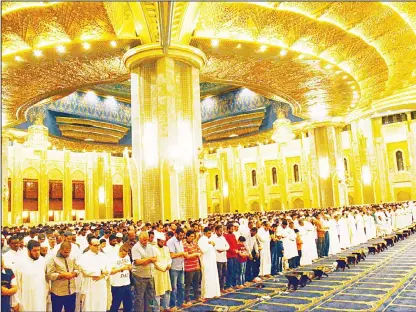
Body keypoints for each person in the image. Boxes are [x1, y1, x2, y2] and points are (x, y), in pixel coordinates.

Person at [14, 240, 48, 311]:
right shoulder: (20, 263)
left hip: (40, 296)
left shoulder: (42, 261)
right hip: (26, 299)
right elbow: (17, 284)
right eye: (34, 250)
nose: (37, 253)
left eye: (38, 250)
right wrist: (16, 301)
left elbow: (44, 279)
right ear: (28, 251)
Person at [46, 241, 79, 312]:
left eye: (69, 252)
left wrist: (73, 274)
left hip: (71, 291)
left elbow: (77, 269)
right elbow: (49, 275)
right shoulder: (53, 259)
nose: (67, 254)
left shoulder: (72, 257)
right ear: (60, 250)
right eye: (65, 252)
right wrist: (62, 275)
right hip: (58, 293)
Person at [78, 238, 109, 312]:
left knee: (101, 304)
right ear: (90, 245)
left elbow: (108, 268)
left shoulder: (103, 256)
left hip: (101, 283)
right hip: (90, 284)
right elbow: (85, 270)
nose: (98, 247)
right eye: (95, 245)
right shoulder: (84, 256)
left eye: (99, 245)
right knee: (90, 305)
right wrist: (100, 271)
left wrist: (103, 276)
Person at [131, 231, 157, 312]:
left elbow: (155, 259)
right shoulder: (135, 247)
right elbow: (137, 262)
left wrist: (146, 260)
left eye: (147, 240)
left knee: (150, 297)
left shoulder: (151, 247)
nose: (146, 242)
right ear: (139, 239)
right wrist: (149, 259)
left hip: (150, 275)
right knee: (139, 298)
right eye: (144, 240)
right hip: (139, 277)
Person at [108, 244, 133, 312]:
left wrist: (130, 267)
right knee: (115, 305)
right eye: (123, 254)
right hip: (117, 285)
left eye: (126, 254)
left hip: (127, 283)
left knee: (128, 305)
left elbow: (130, 265)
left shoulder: (127, 256)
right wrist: (121, 269)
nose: (124, 256)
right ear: (120, 250)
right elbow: (110, 272)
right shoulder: (113, 258)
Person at [166, 227, 187, 308]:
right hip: (174, 267)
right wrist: (182, 253)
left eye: (182, 236)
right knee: (173, 287)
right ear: (176, 234)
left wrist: (182, 254)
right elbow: (172, 255)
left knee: (181, 285)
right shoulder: (171, 242)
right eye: (180, 235)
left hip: (181, 266)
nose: (182, 237)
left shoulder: (180, 241)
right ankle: (172, 305)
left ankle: (180, 302)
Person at [198, 227, 221, 299]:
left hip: (212, 261)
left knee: (213, 277)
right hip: (206, 261)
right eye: (208, 233)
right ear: (204, 233)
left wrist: (212, 244)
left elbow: (215, 248)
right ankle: (206, 294)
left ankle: (213, 293)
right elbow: (203, 250)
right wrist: (211, 244)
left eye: (210, 233)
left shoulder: (209, 240)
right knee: (207, 277)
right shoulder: (201, 240)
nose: (209, 234)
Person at [153, 232, 172, 311]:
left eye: (164, 242)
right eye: (161, 241)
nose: (163, 243)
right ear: (157, 241)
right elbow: (154, 261)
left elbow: (169, 258)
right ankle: (156, 309)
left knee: (167, 290)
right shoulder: (153, 249)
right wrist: (162, 268)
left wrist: (169, 264)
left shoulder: (166, 248)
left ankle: (166, 307)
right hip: (157, 272)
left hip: (165, 272)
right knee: (156, 292)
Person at [183, 230, 202, 305]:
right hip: (188, 267)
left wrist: (195, 254)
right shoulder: (184, 244)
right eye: (191, 236)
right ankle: (187, 299)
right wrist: (196, 254)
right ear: (187, 236)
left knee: (196, 283)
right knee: (188, 284)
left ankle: (197, 297)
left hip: (196, 266)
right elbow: (187, 256)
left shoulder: (195, 243)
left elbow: (199, 252)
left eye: (193, 237)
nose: (193, 238)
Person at [211, 225, 229, 294]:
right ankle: (217, 289)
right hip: (217, 259)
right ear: (216, 231)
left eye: (222, 231)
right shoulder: (213, 238)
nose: (221, 232)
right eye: (220, 231)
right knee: (219, 274)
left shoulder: (223, 237)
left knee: (224, 274)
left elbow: (228, 246)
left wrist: (223, 249)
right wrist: (219, 249)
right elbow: (214, 247)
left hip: (224, 258)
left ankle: (222, 287)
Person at [223, 223, 238, 291]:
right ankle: (228, 285)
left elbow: (235, 244)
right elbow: (227, 246)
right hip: (229, 255)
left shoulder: (233, 235)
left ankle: (234, 284)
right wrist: (233, 251)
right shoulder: (225, 236)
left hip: (235, 255)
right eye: (231, 229)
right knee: (230, 270)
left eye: (233, 229)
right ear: (228, 229)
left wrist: (237, 250)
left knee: (235, 270)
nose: (232, 230)